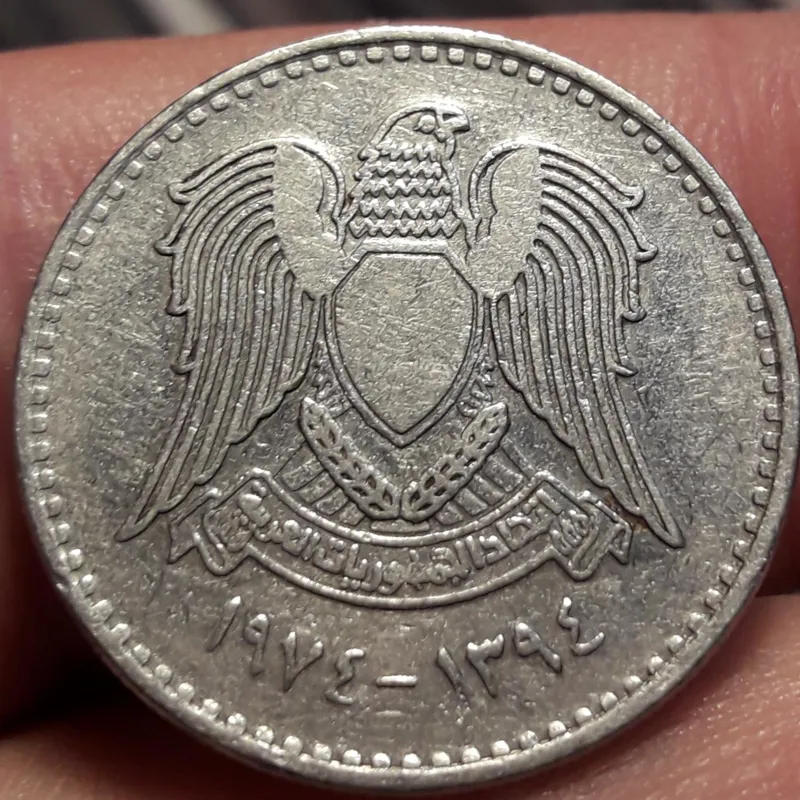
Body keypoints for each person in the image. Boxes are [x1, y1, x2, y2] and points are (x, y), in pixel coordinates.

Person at [1, 11, 799, 798]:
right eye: (432, 125)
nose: (448, 129)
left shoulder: (477, 235)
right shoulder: (329, 223)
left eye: (445, 125)